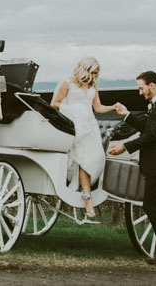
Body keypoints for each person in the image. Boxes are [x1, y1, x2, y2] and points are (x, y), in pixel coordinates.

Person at [109, 71, 156, 267]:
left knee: (152, 206)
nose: (140, 92)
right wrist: (127, 114)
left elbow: (152, 135)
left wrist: (125, 147)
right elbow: (147, 128)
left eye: (141, 88)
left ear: (152, 85)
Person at [51, 57, 122, 220]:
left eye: (97, 73)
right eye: (93, 72)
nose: (94, 76)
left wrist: (112, 107)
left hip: (90, 126)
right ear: (85, 69)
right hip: (74, 124)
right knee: (84, 159)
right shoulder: (67, 83)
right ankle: (87, 198)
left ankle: (88, 193)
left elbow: (97, 107)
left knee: (96, 157)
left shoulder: (93, 86)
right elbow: (55, 104)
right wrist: (75, 110)